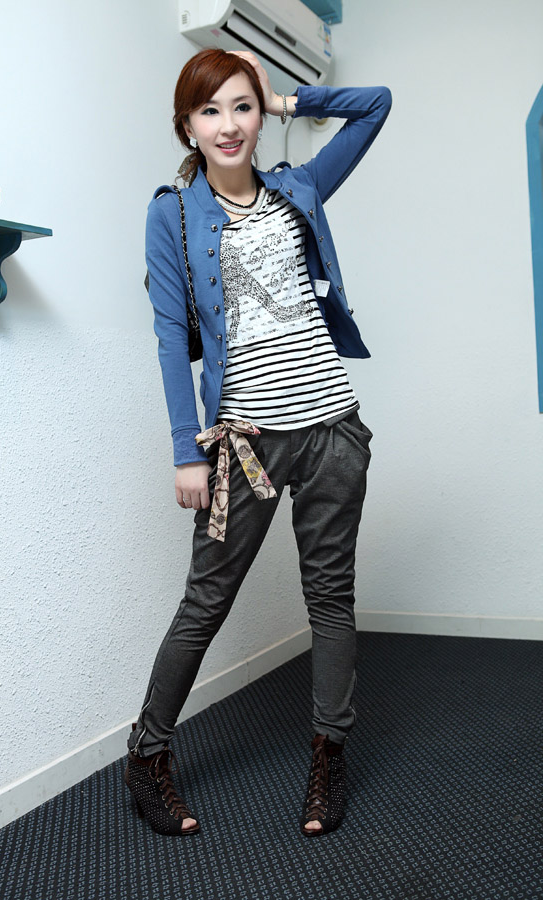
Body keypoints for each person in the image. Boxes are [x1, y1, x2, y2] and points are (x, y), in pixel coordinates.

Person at [125, 47, 392, 837]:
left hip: (332, 429)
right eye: (210, 111)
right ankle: (146, 755)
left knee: (330, 598)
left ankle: (328, 756)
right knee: (206, 600)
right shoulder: (172, 214)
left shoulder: (298, 186)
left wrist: (285, 100)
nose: (228, 124)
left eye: (241, 107)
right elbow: (170, 338)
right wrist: (186, 451)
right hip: (245, 442)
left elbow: (375, 104)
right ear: (187, 126)